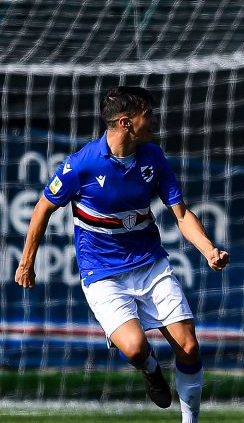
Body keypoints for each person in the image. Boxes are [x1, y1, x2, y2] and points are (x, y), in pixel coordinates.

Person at [15, 86, 229, 423]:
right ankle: (148, 366)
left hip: (150, 265)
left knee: (188, 346)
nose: (155, 120)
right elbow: (42, 208)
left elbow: (183, 215)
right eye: (149, 114)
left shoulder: (154, 157)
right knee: (134, 347)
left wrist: (208, 249)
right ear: (127, 122)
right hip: (103, 274)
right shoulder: (82, 165)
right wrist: (26, 262)